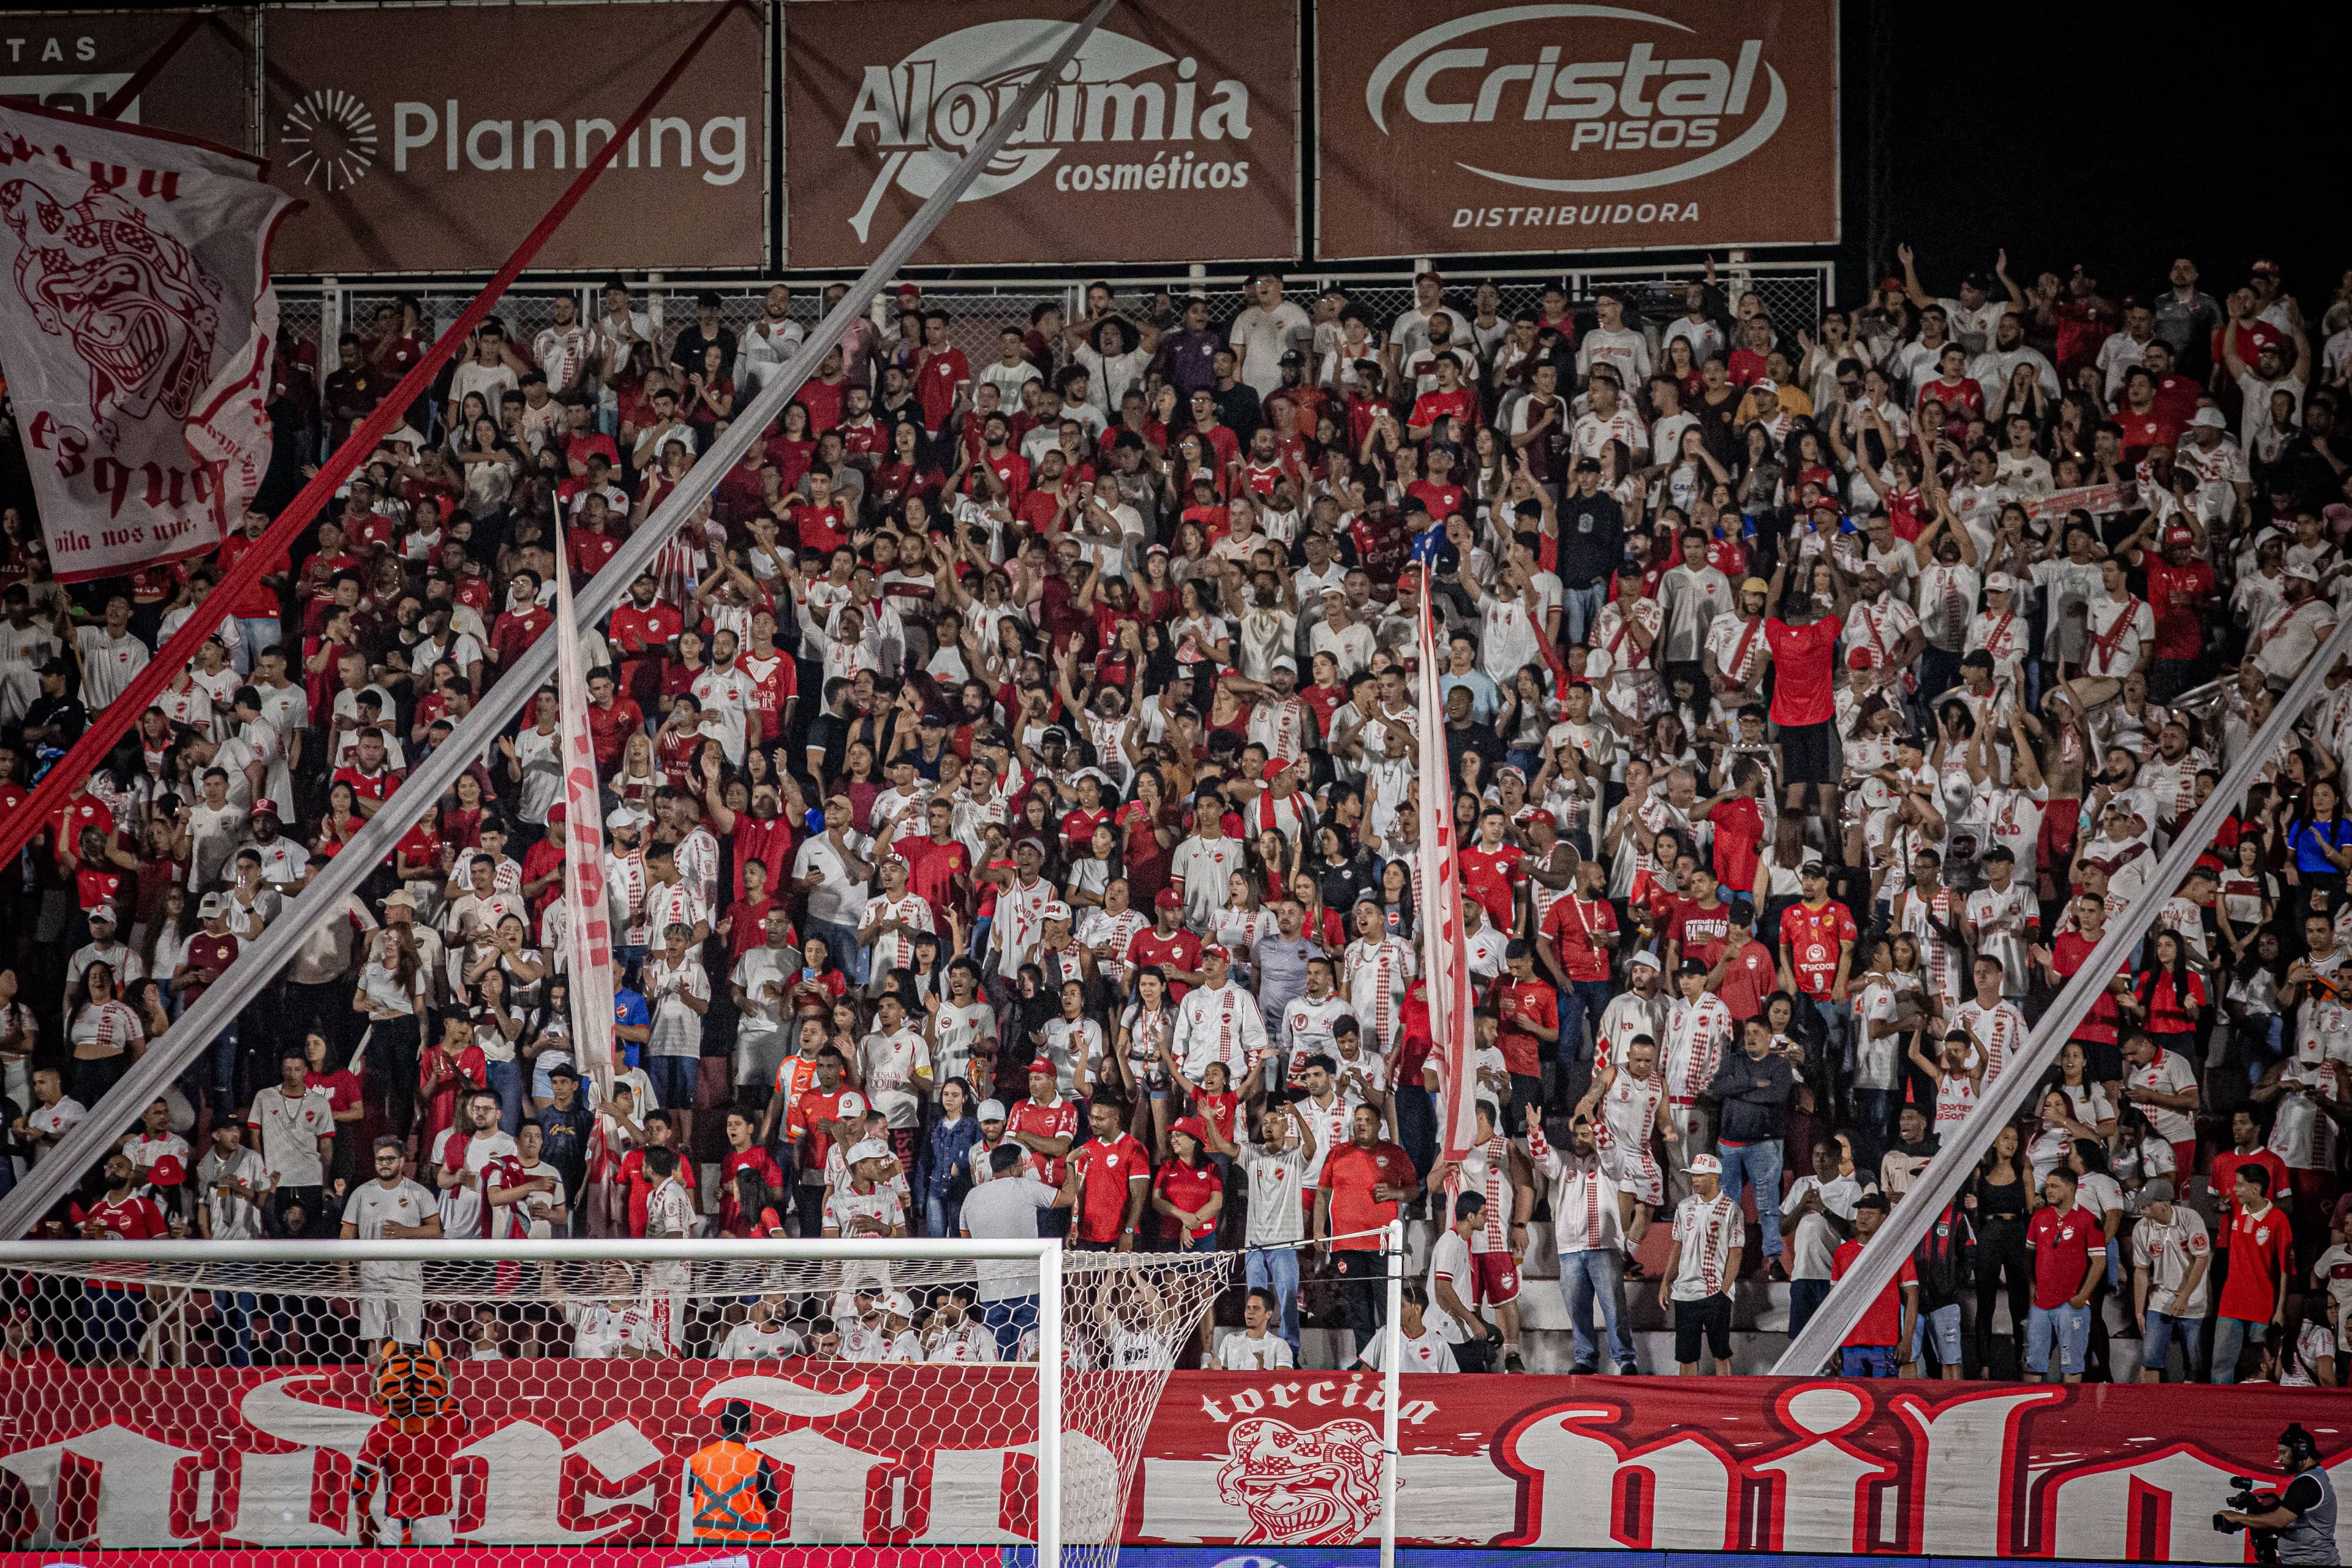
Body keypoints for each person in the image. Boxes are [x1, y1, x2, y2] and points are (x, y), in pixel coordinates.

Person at [1661, 1152, 1741, 1376]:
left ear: (1714, 1177)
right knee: (1686, 1355)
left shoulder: (1731, 1209)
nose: (1694, 1180)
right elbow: (1677, 1246)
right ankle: (1688, 1406)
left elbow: (1736, 1253)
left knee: (1721, 1351)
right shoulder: (1684, 1207)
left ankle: (1726, 1401)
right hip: (1685, 1292)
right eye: (1693, 1176)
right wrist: (1666, 1282)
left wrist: (1724, 1291)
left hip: (1715, 1291)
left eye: (1700, 1176)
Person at [2212, 1423, 2339, 1566]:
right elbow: (2295, 1519)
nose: (2280, 1459)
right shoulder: (2313, 1476)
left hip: (2312, 1562)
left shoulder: (2306, 1483)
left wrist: (2237, 1517)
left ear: (2300, 1451)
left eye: (2284, 1452)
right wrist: (2266, 1506)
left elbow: (2278, 1521)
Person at [1830, 1191, 1918, 1378]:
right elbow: (1833, 1302)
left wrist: (1908, 1340)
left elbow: (1912, 1296)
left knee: (1884, 1400)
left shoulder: (1898, 1251)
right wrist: (1832, 1342)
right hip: (1849, 1343)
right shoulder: (1842, 1253)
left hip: (1885, 1342)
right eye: (1861, 1213)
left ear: (1884, 1218)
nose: (1863, 1218)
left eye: (1870, 1214)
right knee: (1853, 1400)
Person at [686, 1400, 786, 1545]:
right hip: (749, 1544)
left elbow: (693, 1494)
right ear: (749, 1427)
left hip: (707, 1542)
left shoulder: (699, 1459)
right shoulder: (756, 1461)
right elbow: (772, 1501)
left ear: (722, 1425)